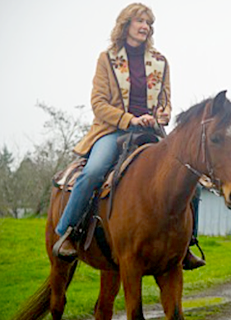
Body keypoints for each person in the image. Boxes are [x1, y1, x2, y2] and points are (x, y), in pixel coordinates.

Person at [53, 3, 205, 270]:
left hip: (150, 132)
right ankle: (68, 233)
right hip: (113, 130)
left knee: (191, 175)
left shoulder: (160, 62)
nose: (145, 26)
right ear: (125, 25)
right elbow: (98, 103)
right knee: (94, 171)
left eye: (149, 23)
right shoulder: (107, 59)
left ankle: (187, 245)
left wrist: (161, 115)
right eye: (140, 21)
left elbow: (166, 101)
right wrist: (130, 119)